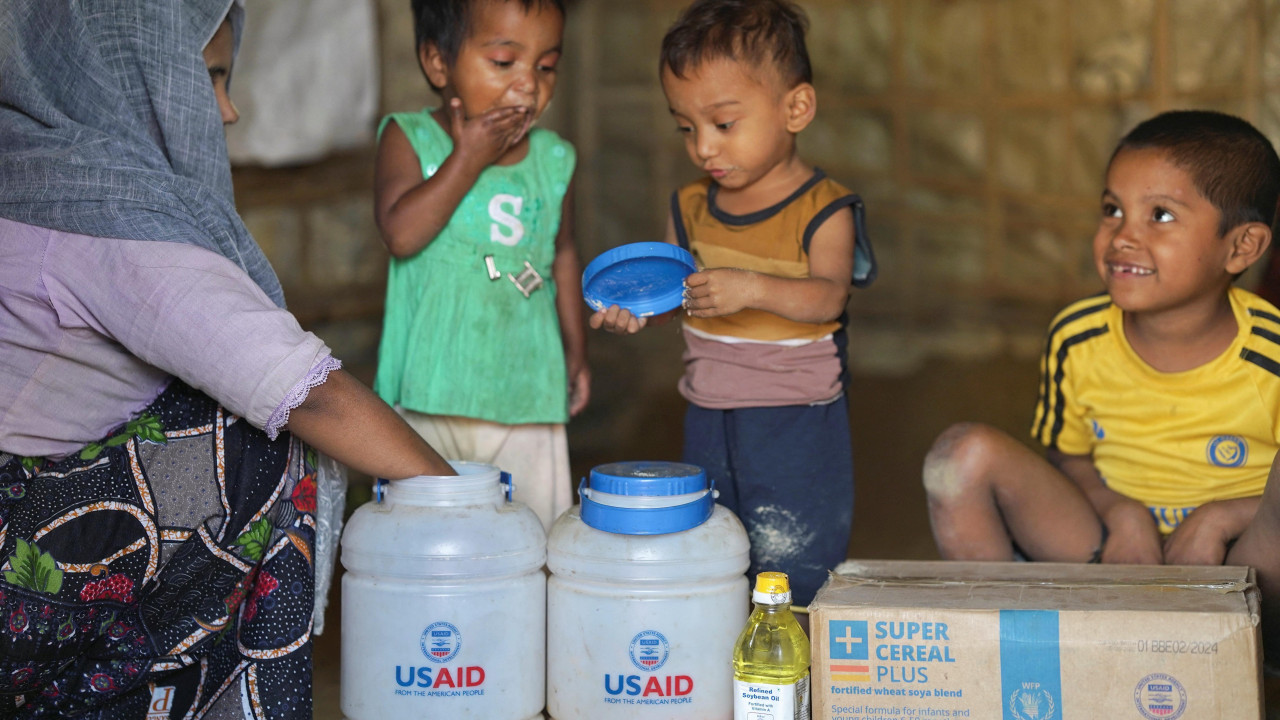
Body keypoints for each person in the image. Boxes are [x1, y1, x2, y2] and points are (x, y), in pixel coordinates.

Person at [0, 2, 454, 717]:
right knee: (262, 440)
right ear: (133, 81)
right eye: (206, 78)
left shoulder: (29, 163)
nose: (230, 111)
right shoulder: (115, 226)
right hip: (17, 570)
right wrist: (464, 502)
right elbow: (311, 394)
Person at [591, 0, 877, 610]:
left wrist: (754, 289)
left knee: (795, 556)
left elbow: (828, 295)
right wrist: (634, 312)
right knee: (716, 551)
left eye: (723, 123)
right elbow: (674, 295)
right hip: (709, 412)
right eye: (686, 127)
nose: (703, 148)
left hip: (797, 417)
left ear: (795, 108)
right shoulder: (690, 206)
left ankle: (789, 680)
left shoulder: (824, 208)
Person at [921, 110, 1280, 571]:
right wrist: (1122, 514)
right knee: (959, 458)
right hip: (1108, 544)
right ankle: (1005, 628)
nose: (1123, 237)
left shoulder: (1270, 353)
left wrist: (1219, 520)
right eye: (1113, 210)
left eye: (1160, 215)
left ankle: (1258, 639)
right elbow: (1069, 458)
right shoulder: (1078, 337)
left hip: (1239, 563)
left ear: (1241, 247)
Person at [372, 0, 587, 532]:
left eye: (546, 66)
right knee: (424, 545)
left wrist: (576, 352)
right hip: (427, 393)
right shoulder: (410, 139)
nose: (528, 87)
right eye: (503, 62)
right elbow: (401, 233)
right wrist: (467, 157)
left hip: (527, 392)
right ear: (438, 63)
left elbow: (561, 254)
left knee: (530, 540)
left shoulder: (554, 160)